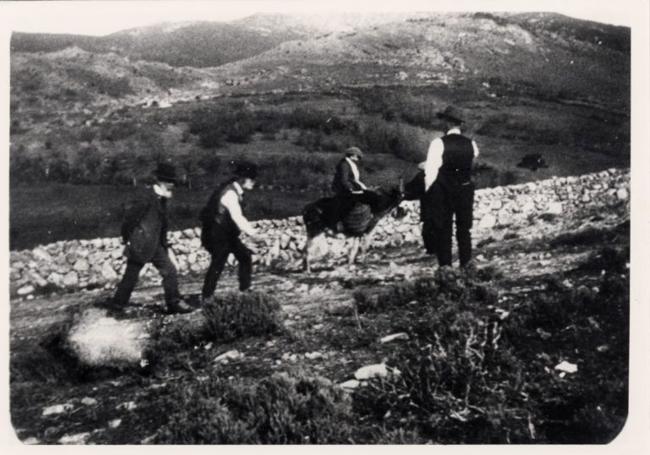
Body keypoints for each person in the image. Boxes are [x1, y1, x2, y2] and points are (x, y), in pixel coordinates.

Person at [108, 163, 193, 314]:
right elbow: (129, 219)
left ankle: (173, 303)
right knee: (131, 275)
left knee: (169, 271)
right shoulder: (146, 198)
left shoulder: (162, 198)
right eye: (170, 182)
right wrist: (127, 238)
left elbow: (161, 224)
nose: (173, 185)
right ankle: (117, 305)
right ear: (162, 182)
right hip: (141, 243)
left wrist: (164, 243)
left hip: (155, 245)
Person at [422, 106, 480, 267]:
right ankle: (466, 266)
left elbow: (431, 172)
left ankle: (446, 269)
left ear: (447, 123)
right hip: (464, 189)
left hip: (444, 191)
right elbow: (473, 163)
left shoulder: (438, 143)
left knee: (443, 230)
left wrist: (429, 192)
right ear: (460, 124)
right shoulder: (471, 144)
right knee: (464, 229)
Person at [200, 163, 258, 301]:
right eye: (251, 179)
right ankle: (207, 296)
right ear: (243, 179)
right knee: (218, 262)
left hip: (226, 233)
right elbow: (237, 217)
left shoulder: (233, 190)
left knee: (244, 256)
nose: (254, 182)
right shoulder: (230, 193)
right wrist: (254, 233)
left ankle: (245, 289)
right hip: (217, 234)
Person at [332, 146, 381, 216]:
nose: (358, 158)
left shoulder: (351, 163)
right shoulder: (344, 165)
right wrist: (354, 189)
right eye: (358, 156)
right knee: (373, 197)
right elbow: (344, 180)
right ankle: (371, 216)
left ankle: (371, 214)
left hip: (353, 188)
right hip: (345, 190)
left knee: (374, 194)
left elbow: (356, 178)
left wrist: (365, 187)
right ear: (352, 156)